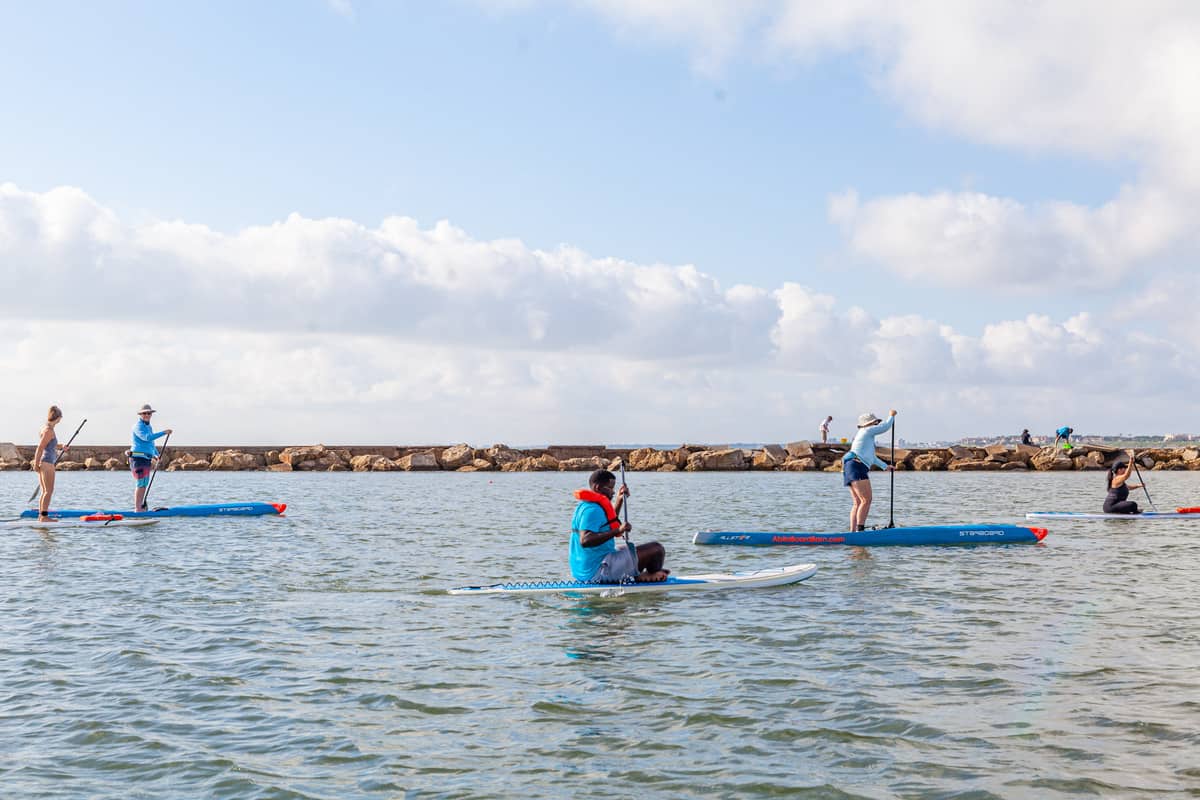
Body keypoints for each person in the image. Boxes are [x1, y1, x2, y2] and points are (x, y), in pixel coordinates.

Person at [570, 469, 668, 583]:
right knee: (657, 550)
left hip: (587, 569)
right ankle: (646, 576)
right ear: (597, 488)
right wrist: (618, 530)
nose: (612, 492)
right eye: (610, 488)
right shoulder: (592, 510)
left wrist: (619, 500)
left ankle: (639, 573)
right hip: (596, 572)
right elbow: (585, 540)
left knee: (628, 548)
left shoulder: (587, 505)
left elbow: (608, 523)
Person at [842, 410, 897, 532]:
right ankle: (860, 531)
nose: (876, 425)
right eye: (874, 423)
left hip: (850, 465)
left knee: (857, 502)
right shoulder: (866, 431)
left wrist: (885, 466)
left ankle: (853, 532)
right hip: (856, 466)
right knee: (866, 500)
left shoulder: (865, 438)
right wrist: (891, 416)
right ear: (867, 424)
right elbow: (886, 427)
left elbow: (872, 458)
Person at [131, 404, 172, 511]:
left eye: (149, 413)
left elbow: (151, 444)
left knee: (145, 483)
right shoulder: (138, 426)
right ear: (140, 414)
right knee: (140, 483)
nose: (147, 415)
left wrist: (157, 455)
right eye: (144, 413)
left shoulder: (148, 426)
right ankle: (137, 509)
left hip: (146, 458)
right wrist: (164, 432)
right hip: (137, 458)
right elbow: (147, 438)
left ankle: (140, 507)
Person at [32, 405, 64, 521]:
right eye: (60, 418)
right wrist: (36, 464)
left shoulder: (45, 428)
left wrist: (61, 447)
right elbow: (40, 448)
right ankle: (44, 517)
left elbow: (49, 445)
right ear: (58, 417)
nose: (61, 420)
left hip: (45, 462)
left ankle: (42, 516)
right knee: (48, 491)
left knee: (45, 491)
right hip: (47, 463)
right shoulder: (48, 431)